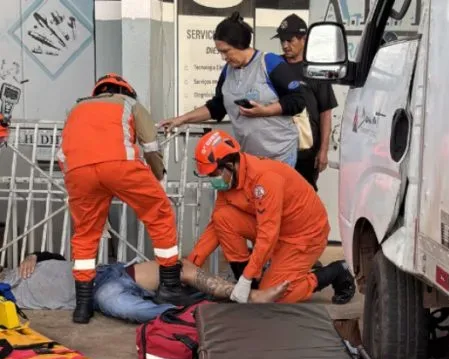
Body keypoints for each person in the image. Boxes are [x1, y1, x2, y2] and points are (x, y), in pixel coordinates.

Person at [58, 73, 192, 325]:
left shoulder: (76, 109)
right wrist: (158, 176)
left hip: (78, 172)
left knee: (85, 234)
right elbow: (150, 145)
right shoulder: (129, 104)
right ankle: (170, 287)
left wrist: (76, 184)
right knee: (159, 214)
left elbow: (62, 154)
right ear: (127, 91)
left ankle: (82, 306)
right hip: (120, 166)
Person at [189, 129, 355, 304]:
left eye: (213, 174)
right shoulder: (231, 181)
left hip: (305, 236)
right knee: (223, 218)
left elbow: (268, 234)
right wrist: (191, 264)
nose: (212, 180)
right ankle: (251, 284)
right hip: (276, 229)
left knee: (274, 297)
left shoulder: (265, 179)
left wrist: (247, 276)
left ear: (230, 164)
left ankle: (336, 271)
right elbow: (216, 224)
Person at [158, 12, 307, 167]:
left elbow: (298, 99)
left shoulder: (268, 62)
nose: (223, 57)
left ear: (240, 45)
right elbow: (217, 107)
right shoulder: (227, 71)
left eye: (226, 51)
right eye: (220, 52)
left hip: (280, 154)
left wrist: (265, 111)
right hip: (249, 156)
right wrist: (181, 119)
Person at [6, 251, 288, 323]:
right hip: (97, 297)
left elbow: (55, 256)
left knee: (177, 268)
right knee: (125, 306)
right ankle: (206, 313)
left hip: (108, 273)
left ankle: (249, 294)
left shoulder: (16, 268)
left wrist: (33, 255)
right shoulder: (7, 295)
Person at [275, 13, 338, 189]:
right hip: (277, 150)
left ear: (304, 39)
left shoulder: (315, 69)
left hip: (307, 153)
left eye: (290, 40)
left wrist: (323, 150)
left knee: (305, 198)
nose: (285, 45)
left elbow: (325, 112)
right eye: (282, 40)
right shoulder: (274, 65)